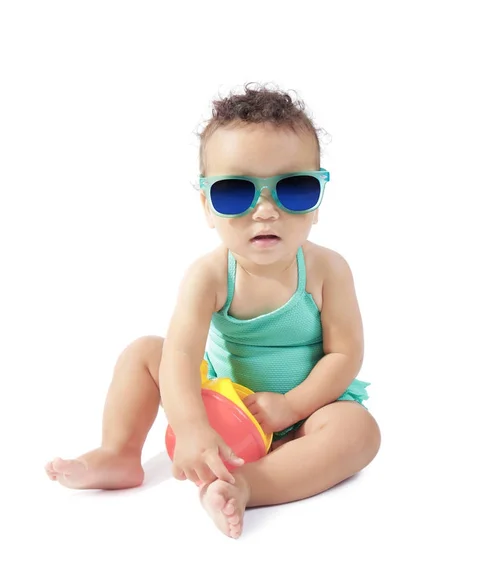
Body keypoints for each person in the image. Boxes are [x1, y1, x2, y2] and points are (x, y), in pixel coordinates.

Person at [45, 83, 381, 539]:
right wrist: (192, 427)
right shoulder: (208, 276)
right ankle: (119, 454)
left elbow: (345, 355)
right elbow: (181, 359)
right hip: (224, 403)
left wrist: (290, 407)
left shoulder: (327, 270)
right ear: (206, 205)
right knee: (144, 352)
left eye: (294, 189)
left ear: (318, 200)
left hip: (303, 414)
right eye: (235, 193)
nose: (265, 210)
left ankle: (245, 484)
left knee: (358, 431)